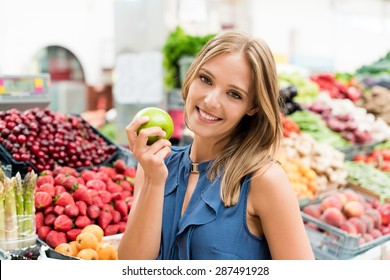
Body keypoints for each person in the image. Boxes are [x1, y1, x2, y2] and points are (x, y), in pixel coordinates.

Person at [118, 31, 315, 260]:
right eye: (205, 79)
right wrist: (154, 179)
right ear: (191, 77)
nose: (211, 101)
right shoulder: (155, 166)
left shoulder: (265, 180)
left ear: (253, 107)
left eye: (234, 94)